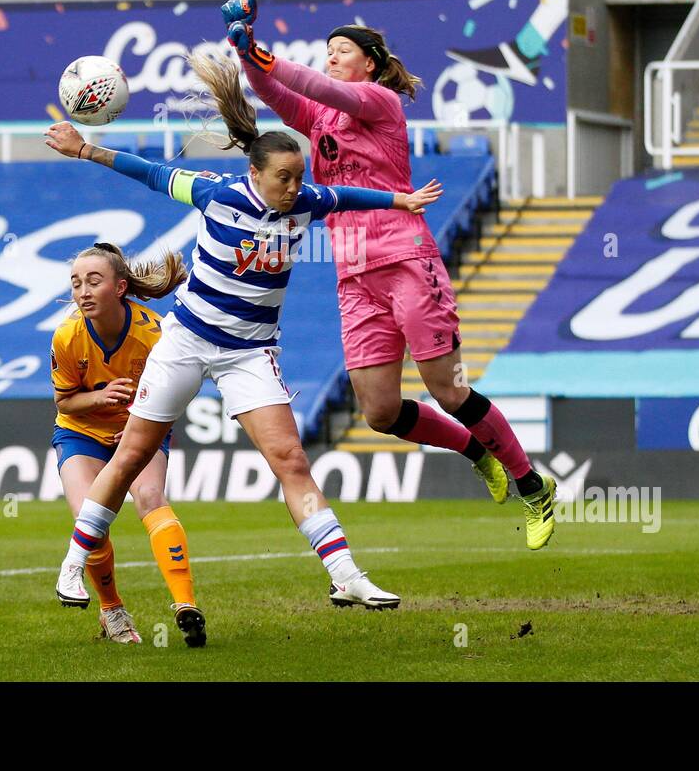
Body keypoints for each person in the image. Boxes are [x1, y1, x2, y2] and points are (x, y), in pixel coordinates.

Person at [43, 53, 443, 639]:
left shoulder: (304, 202)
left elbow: (349, 195)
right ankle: (73, 566)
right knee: (130, 457)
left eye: (300, 175)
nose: (297, 186)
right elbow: (149, 171)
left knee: (290, 460)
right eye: (285, 177)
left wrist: (397, 201)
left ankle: (346, 573)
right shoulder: (215, 194)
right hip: (187, 341)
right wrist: (85, 149)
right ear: (256, 175)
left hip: (250, 353)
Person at [221, 0, 558, 550]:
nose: (330, 58)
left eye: (341, 50)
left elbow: (314, 85)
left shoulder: (378, 102)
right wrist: (244, 54)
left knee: (447, 389)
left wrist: (257, 48)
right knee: (378, 411)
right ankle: (477, 453)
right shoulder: (321, 117)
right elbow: (278, 92)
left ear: (369, 63)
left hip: (404, 259)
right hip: (354, 274)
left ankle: (531, 484)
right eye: (326, 51)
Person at [50, 241, 199, 645]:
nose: (82, 291)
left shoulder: (155, 334)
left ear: (119, 287)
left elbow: (182, 390)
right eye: (76, 282)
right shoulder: (66, 336)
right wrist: (100, 398)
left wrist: (140, 424)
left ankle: (187, 605)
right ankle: (112, 610)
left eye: (93, 281)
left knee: (150, 495)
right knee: (88, 518)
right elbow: (65, 401)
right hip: (82, 434)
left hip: (141, 432)